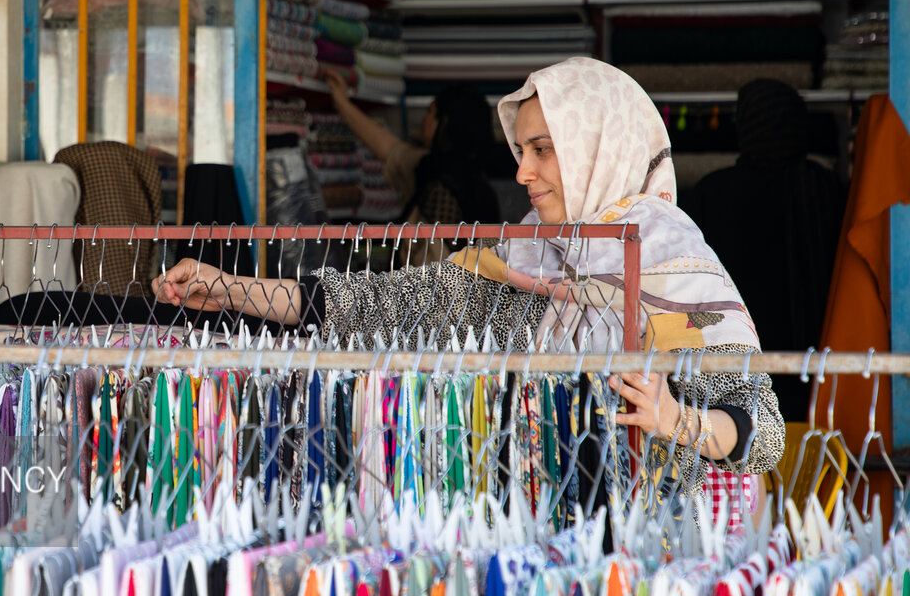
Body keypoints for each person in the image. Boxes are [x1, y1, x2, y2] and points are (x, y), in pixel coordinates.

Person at [156, 57, 784, 527]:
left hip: (651, 559)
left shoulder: (675, 268)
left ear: (600, 148)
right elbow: (378, 306)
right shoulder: (521, 257)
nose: (521, 171)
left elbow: (764, 430)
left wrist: (678, 420)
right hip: (526, 544)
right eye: (520, 149)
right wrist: (233, 289)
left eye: (543, 150)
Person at [687, 79, 845, 423]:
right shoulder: (822, 187)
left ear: (744, 125)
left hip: (736, 365)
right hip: (819, 363)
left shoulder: (712, 192)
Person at [322, 70, 501, 266]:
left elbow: (390, 150)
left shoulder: (432, 174)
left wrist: (341, 102)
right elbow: (391, 150)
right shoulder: (484, 192)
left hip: (432, 291)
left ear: (445, 122)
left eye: (430, 113)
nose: (424, 120)